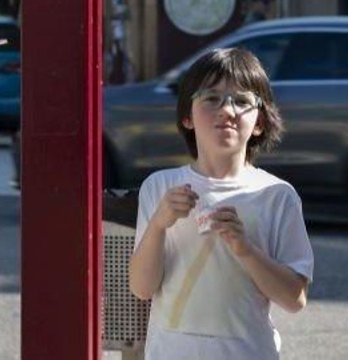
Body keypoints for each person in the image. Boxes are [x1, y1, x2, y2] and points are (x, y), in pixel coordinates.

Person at [129, 47, 313, 358]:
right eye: (211, 98)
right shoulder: (159, 187)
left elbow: (294, 299)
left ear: (260, 123)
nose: (227, 111)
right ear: (187, 116)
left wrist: (245, 249)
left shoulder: (276, 194)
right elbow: (142, 288)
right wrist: (159, 224)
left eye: (242, 101)